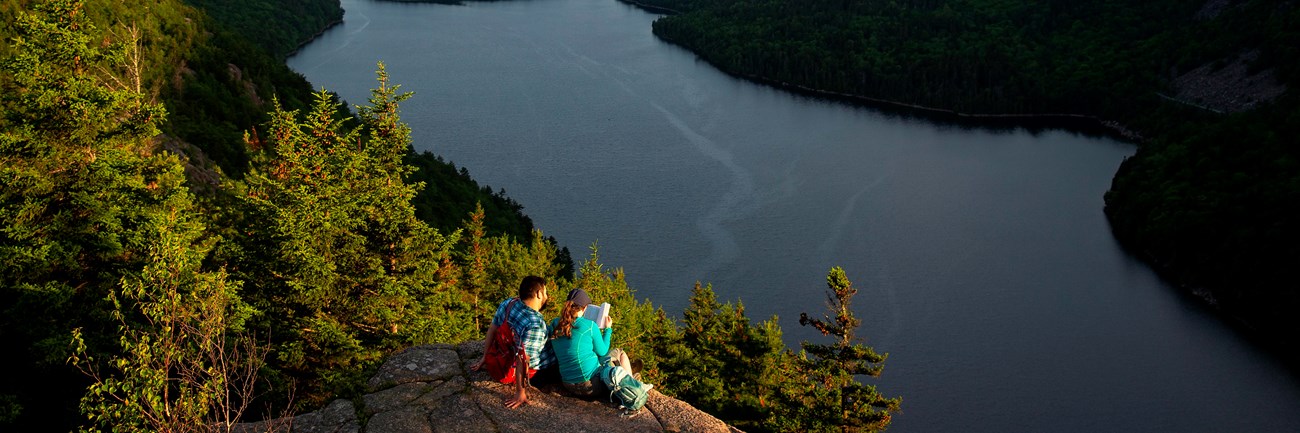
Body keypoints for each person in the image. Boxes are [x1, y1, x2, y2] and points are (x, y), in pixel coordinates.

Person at [471, 276, 559, 408]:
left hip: (504, 357)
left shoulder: (509, 303)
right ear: (538, 294)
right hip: (537, 372)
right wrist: (520, 391)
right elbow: (523, 359)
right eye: (545, 292)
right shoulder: (535, 324)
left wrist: (486, 356)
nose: (546, 296)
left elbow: (493, 328)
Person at [548, 288, 642, 398]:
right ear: (585, 308)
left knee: (591, 355)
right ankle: (631, 383)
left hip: (568, 384)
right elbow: (603, 351)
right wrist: (608, 330)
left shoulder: (555, 323)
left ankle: (628, 372)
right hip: (591, 386)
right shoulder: (589, 325)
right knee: (619, 352)